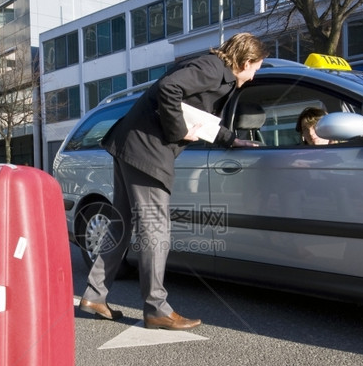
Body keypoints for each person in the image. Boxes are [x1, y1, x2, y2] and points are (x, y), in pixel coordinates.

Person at [79, 32, 269, 331]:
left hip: (132, 144)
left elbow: (198, 118)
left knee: (121, 223)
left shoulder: (213, 70)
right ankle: (156, 308)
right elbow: (168, 89)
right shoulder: (211, 68)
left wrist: (231, 140)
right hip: (147, 150)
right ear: (246, 61)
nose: (254, 75)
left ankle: (94, 295)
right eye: (256, 68)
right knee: (156, 227)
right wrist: (178, 131)